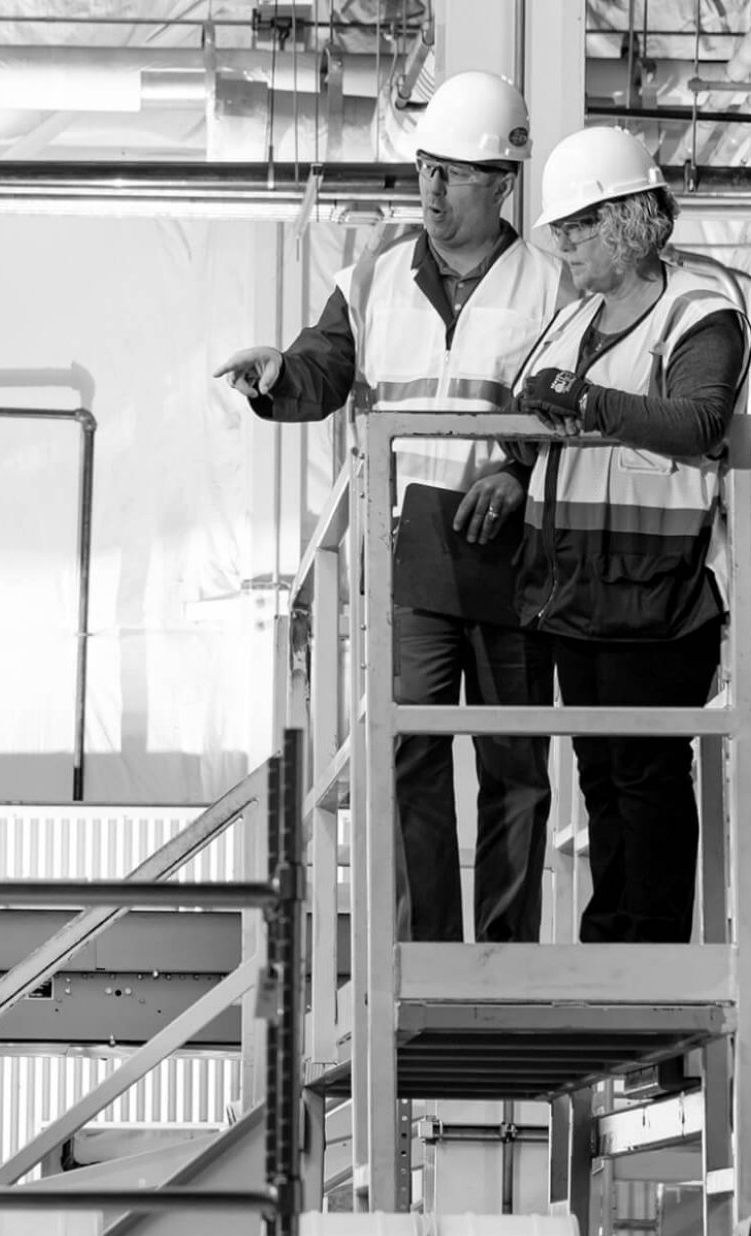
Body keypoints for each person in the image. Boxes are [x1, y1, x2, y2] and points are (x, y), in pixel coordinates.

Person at [214, 71, 570, 943]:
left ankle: (506, 959)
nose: (435, 191)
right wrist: (275, 378)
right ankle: (430, 954)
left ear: (503, 182)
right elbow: (319, 369)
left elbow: (568, 413)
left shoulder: (552, 289)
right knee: (409, 755)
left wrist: (518, 475)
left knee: (516, 767)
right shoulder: (370, 278)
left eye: (456, 174)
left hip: (510, 558)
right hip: (404, 559)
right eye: (427, 169)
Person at [514, 126, 751, 943]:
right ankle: (610, 943)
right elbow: (528, 427)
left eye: (579, 225)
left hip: (660, 595)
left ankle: (647, 953)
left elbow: (699, 418)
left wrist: (588, 403)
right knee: (603, 776)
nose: (563, 243)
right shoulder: (571, 322)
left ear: (625, 221)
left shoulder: (700, 312)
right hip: (577, 592)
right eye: (562, 228)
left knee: (644, 773)